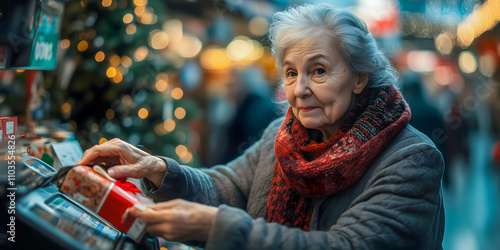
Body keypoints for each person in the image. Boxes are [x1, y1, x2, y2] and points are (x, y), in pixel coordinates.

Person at [77, 4, 445, 249]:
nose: (299, 90)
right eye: (290, 73)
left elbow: (346, 245)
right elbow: (228, 187)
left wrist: (217, 229)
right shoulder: (282, 136)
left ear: (360, 77)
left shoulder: (411, 159)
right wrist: (160, 171)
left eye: (318, 71)